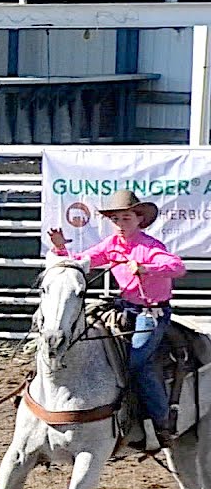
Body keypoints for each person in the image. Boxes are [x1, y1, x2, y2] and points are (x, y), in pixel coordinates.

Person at [48, 189, 187, 449]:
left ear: (138, 219)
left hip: (151, 312)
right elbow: (80, 262)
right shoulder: (112, 245)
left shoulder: (150, 247)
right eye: (116, 220)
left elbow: (178, 267)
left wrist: (146, 268)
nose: (120, 225)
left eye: (126, 219)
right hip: (125, 307)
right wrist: (60, 248)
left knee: (137, 363)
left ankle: (161, 421)